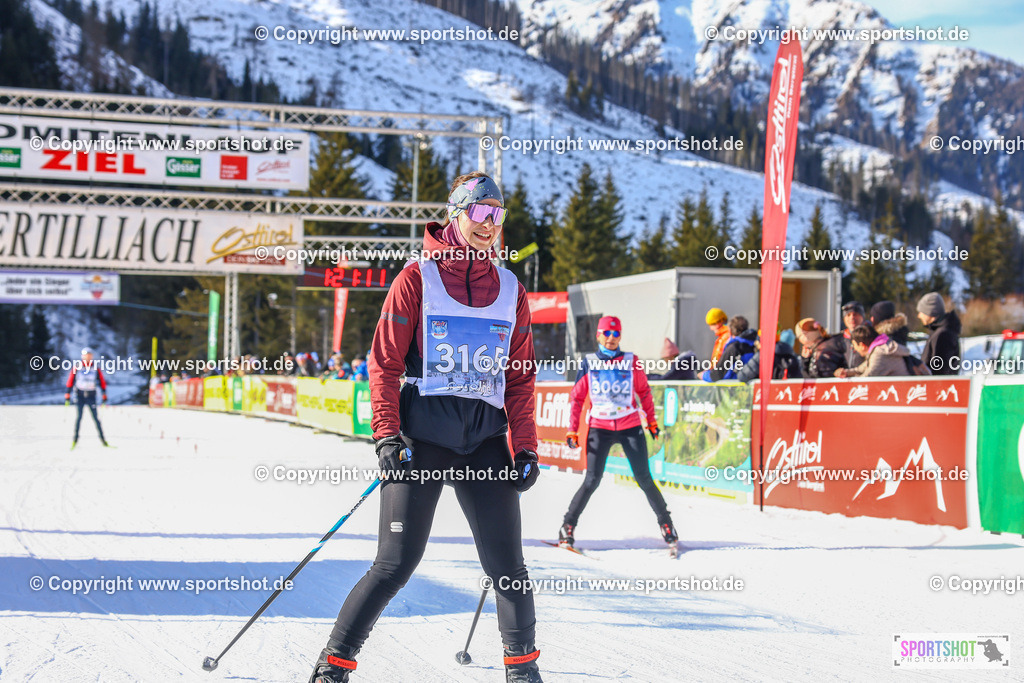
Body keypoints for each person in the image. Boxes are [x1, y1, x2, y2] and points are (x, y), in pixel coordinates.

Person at [310, 172, 543, 683]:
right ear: (456, 215)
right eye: (480, 213)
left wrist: (523, 447)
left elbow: (520, 377)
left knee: (508, 566)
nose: (490, 225)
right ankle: (333, 666)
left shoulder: (510, 288)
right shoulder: (417, 279)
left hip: (483, 443)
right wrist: (387, 435)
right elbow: (384, 364)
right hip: (423, 440)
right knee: (395, 563)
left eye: (498, 216)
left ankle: (523, 671)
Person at [559, 315, 677, 550]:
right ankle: (567, 526)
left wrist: (651, 422)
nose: (611, 338)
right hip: (599, 428)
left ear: (620, 336)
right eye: (607, 333)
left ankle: (667, 524)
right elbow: (577, 398)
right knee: (592, 480)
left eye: (615, 334)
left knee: (644, 478)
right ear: (598, 335)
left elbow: (644, 392)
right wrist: (572, 430)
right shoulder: (590, 361)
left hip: (630, 426)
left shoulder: (632, 360)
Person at [64, 347, 109, 448]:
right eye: (86, 356)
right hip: (80, 395)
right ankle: (75, 440)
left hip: (91, 395)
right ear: (83, 357)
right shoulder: (77, 367)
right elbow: (71, 380)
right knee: (79, 418)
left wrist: (104, 392)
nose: (88, 358)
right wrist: (67, 392)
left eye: (89, 356)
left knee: (96, 419)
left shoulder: (95, 368)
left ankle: (103, 440)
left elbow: (102, 381)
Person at [834, 325, 911, 377]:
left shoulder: (880, 353)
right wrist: (847, 372)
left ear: (862, 345)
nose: (855, 349)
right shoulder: (880, 348)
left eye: (854, 346)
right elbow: (862, 368)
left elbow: (867, 378)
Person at [917, 292, 961, 376]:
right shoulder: (938, 332)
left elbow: (940, 372)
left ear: (930, 313)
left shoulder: (943, 335)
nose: (919, 316)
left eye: (922, 312)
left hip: (938, 388)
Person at [703, 316, 757, 381]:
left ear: (731, 331)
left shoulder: (733, 348)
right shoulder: (755, 344)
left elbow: (717, 374)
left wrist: (703, 375)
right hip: (750, 384)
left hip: (734, 386)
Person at [736, 331, 802, 382]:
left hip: (765, 396)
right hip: (786, 395)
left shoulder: (761, 356)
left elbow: (743, 376)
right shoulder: (791, 355)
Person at [837, 301, 867, 368]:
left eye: (855, 314)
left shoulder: (870, 336)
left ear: (862, 317)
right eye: (848, 315)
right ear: (844, 319)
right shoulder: (838, 339)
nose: (852, 318)